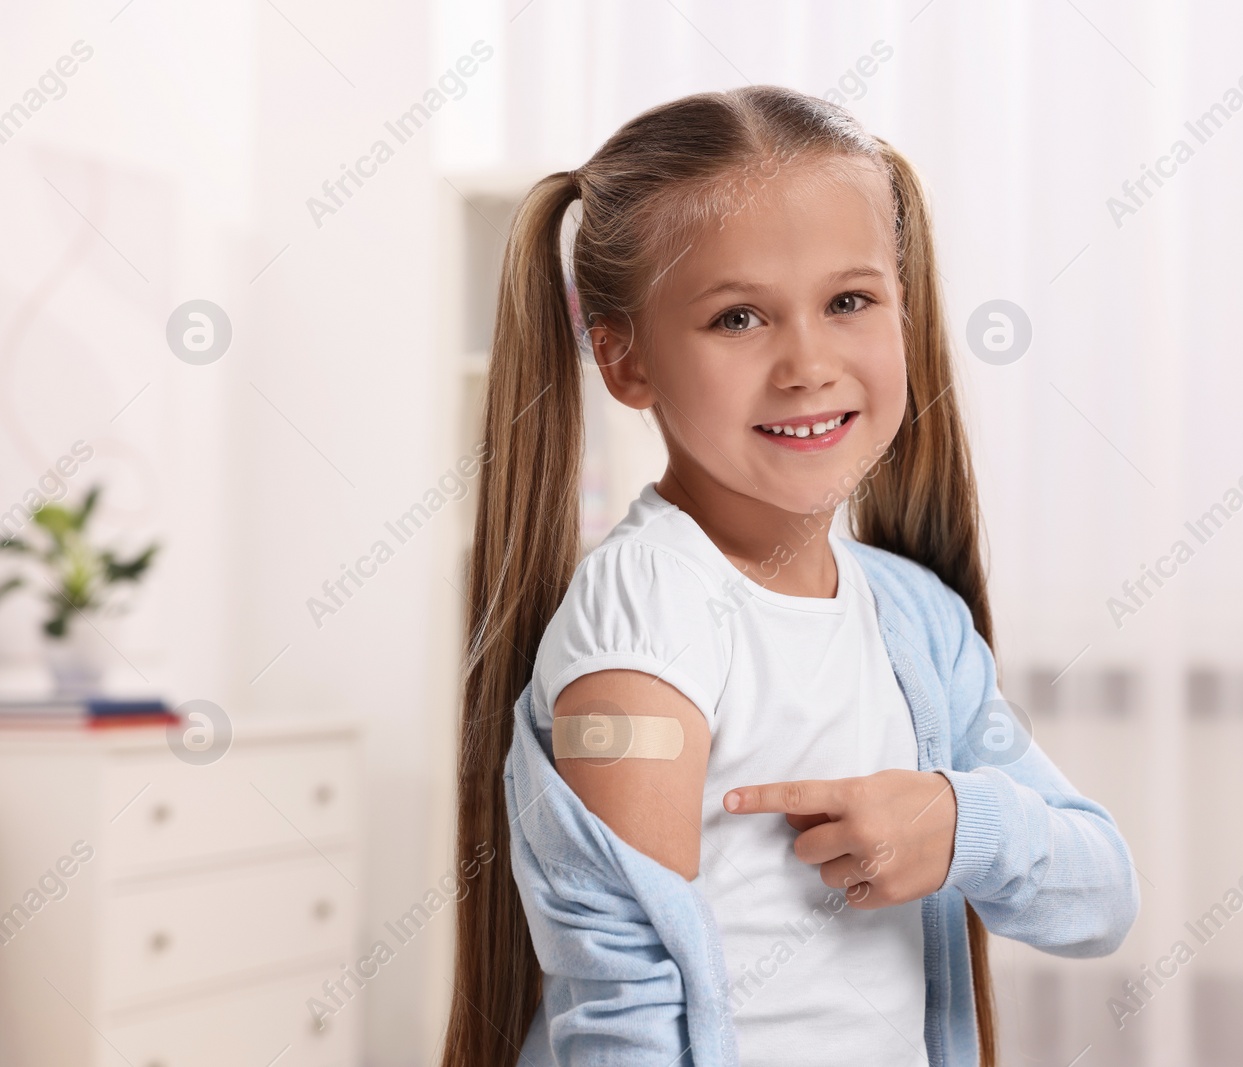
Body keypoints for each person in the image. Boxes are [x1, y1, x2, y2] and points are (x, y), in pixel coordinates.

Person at [442, 85, 1139, 1067]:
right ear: (624, 359)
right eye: (737, 318)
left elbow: (1100, 894)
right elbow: (625, 1004)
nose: (808, 362)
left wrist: (957, 820)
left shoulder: (916, 618)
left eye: (848, 300)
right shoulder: (649, 608)